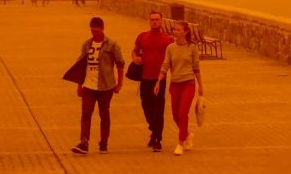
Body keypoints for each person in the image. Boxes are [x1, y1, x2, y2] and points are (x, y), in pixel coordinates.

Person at [69, 17, 125, 154]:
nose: (94, 34)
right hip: (89, 85)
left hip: (106, 86)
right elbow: (81, 65)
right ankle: (84, 142)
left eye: (96, 31)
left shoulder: (112, 44)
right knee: (86, 113)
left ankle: (103, 143)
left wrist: (119, 84)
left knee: (104, 114)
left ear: (102, 29)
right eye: (92, 31)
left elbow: (120, 64)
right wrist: (79, 85)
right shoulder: (87, 45)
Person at [154, 21, 204, 156]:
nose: (175, 32)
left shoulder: (192, 47)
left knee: (183, 113)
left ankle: (180, 143)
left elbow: (196, 68)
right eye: (174, 29)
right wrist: (159, 81)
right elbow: (165, 65)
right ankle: (187, 134)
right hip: (175, 84)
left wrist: (201, 86)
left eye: (178, 30)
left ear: (185, 32)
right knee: (176, 115)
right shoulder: (170, 48)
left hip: (188, 84)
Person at [132, 11, 173, 152]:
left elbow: (172, 58)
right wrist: (135, 58)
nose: (154, 22)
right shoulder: (142, 37)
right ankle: (154, 128)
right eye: (152, 20)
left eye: (157, 19)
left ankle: (157, 139)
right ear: (149, 22)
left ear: (161, 22)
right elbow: (135, 51)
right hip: (145, 78)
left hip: (159, 79)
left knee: (158, 108)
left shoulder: (167, 40)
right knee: (146, 106)